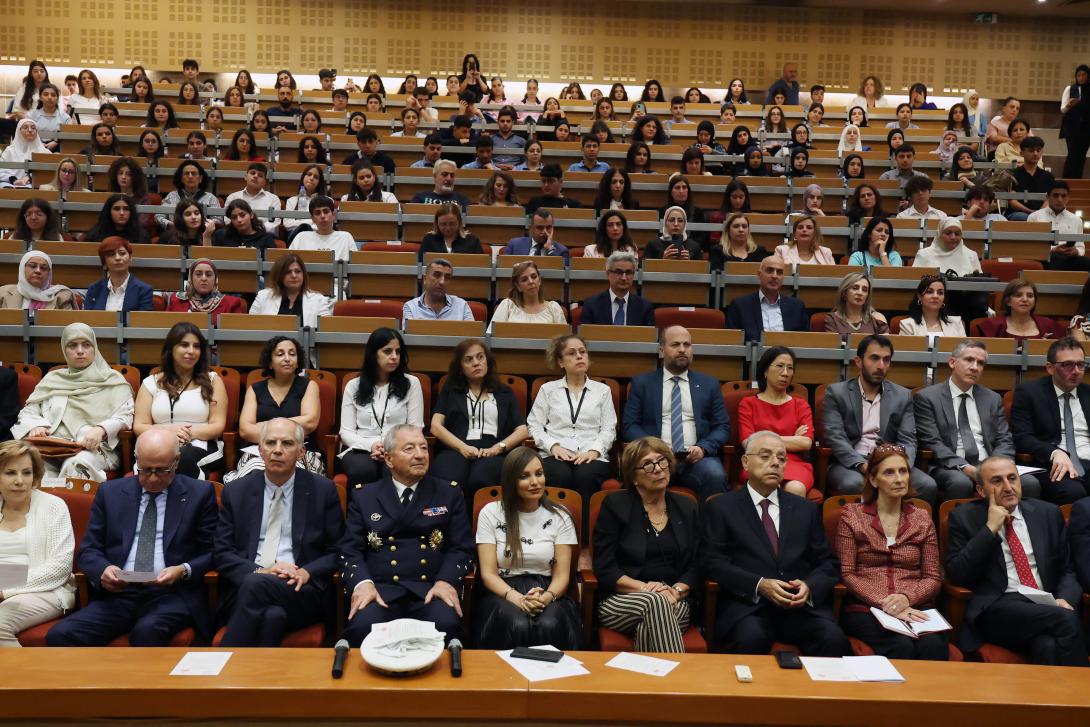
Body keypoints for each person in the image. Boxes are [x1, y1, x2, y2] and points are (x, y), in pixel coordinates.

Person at [45, 428, 217, 647]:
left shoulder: (199, 494)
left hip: (171, 594)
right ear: (136, 459)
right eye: (145, 470)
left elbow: (213, 551)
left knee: (147, 631)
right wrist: (103, 570)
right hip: (120, 594)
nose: (152, 478)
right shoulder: (110, 492)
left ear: (176, 461)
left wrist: (183, 570)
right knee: (61, 635)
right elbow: (89, 550)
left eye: (161, 470)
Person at [703, 431, 849, 655]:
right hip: (749, 607)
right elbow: (713, 562)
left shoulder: (806, 509)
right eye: (765, 456)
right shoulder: (721, 507)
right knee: (749, 638)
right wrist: (759, 584)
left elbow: (827, 563)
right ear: (745, 462)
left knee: (833, 639)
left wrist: (809, 587)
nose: (775, 463)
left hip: (800, 608)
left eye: (781, 458)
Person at [339, 424, 474, 647]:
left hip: (431, 590)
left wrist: (446, 581)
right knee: (362, 628)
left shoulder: (448, 493)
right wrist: (362, 583)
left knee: (447, 626)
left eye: (424, 448)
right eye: (409, 449)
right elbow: (350, 549)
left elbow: (462, 547)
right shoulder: (365, 495)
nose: (420, 455)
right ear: (389, 459)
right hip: (380, 591)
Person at [945, 456, 1087, 666]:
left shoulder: (1047, 513)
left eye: (1012, 478)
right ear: (981, 490)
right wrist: (990, 529)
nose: (1008, 487)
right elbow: (957, 573)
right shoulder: (964, 516)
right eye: (997, 481)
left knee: (1047, 645)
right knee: (1065, 619)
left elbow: (1067, 569)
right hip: (997, 607)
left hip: (1045, 605)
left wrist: (1065, 599)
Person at [213, 418, 343, 646]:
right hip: (247, 586)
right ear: (260, 450)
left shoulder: (323, 490)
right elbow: (222, 552)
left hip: (301, 589)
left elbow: (338, 550)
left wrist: (307, 572)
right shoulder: (237, 491)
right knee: (273, 616)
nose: (277, 450)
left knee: (256, 585)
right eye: (270, 443)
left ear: (301, 452)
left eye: (287, 443)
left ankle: (224, 660)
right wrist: (260, 571)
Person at [835, 442, 947, 660]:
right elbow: (847, 574)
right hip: (867, 607)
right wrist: (886, 603)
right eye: (889, 472)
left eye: (903, 471)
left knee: (933, 646)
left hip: (915, 605)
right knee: (900, 646)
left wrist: (906, 598)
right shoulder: (852, 516)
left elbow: (933, 577)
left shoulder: (922, 518)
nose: (899, 478)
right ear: (873, 480)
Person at [592, 437, 700, 652]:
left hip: (675, 599)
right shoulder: (615, 506)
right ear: (633, 477)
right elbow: (605, 567)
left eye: (662, 461)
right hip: (621, 600)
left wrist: (676, 591)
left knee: (653, 618)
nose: (658, 469)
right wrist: (646, 589)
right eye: (648, 465)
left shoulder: (687, 507)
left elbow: (698, 564)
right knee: (655, 603)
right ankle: (678, 674)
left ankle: (648, 674)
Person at [473, 446, 581, 649]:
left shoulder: (560, 516)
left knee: (549, 623)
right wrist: (518, 598)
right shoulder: (491, 513)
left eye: (539, 474)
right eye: (524, 476)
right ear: (510, 481)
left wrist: (545, 598)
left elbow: (562, 577)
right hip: (503, 589)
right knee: (517, 624)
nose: (535, 482)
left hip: (547, 588)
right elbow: (488, 574)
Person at [915, 341, 1040, 502]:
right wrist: (966, 468)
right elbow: (932, 442)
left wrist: (994, 467)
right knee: (960, 483)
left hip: (989, 464)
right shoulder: (928, 398)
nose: (975, 367)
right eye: (969, 360)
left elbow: (1004, 439)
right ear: (952, 362)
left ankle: (1017, 519)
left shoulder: (992, 399)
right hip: (950, 466)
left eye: (980, 363)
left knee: (1030, 483)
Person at [822, 335, 937, 504]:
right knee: (854, 484)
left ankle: (905, 522)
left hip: (890, 460)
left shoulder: (902, 395)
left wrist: (901, 465)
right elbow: (835, 437)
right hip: (850, 463)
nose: (881, 366)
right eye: (874, 358)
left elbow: (908, 439)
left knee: (927, 485)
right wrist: (863, 465)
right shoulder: (837, 393)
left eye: (886, 360)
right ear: (858, 361)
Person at [11, 323, 132, 481]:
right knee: (32, 466)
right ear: (64, 349)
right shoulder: (52, 379)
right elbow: (28, 411)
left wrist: (101, 429)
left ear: (94, 348)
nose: (80, 351)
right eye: (72, 345)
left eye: (86, 345)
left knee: (76, 465)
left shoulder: (113, 380)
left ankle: (72, 499)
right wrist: (36, 425)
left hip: (95, 448)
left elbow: (126, 415)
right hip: (52, 448)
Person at [623, 325, 730, 502]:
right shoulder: (642, 383)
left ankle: (708, 522)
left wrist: (703, 448)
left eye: (687, 345)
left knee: (715, 474)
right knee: (641, 473)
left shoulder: (709, 384)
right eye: (675, 344)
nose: (682, 349)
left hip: (697, 460)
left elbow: (722, 426)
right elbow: (629, 425)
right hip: (655, 458)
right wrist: (656, 448)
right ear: (661, 350)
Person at [527, 335, 616, 533]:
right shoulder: (548, 390)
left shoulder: (602, 391)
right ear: (560, 362)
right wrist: (553, 446)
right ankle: (553, 533)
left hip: (592, 454)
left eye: (582, 352)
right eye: (572, 353)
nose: (579, 356)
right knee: (559, 474)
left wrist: (594, 450)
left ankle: (583, 537)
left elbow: (609, 428)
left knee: (586, 475)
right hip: (554, 454)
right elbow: (534, 425)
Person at [431, 340, 529, 500]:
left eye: (480, 357)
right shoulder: (451, 389)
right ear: (460, 367)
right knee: (449, 481)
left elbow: (522, 430)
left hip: (493, 451)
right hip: (456, 448)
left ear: (487, 361)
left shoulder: (504, 392)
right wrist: (462, 448)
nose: (476, 363)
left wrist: (499, 448)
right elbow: (436, 426)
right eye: (468, 359)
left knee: (482, 479)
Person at [0, 441, 76, 647]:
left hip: (46, 590)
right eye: (10, 473)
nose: (19, 481)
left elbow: (59, 569)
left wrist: (5, 589)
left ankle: (25, 670)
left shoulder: (53, 506)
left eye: (26, 473)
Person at [133, 323, 226, 480]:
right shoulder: (150, 383)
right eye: (184, 345)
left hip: (200, 444)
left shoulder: (213, 381)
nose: (191, 351)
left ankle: (189, 495)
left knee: (182, 457)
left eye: (196, 346)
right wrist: (169, 432)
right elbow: (139, 426)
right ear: (171, 349)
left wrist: (186, 434)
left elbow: (217, 425)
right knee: (155, 458)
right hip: (158, 443)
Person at [223, 338, 322, 483]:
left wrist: (263, 426)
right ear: (270, 362)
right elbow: (245, 430)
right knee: (254, 475)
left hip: (298, 451)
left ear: (298, 361)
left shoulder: (309, 386)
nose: (287, 358)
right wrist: (292, 427)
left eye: (292, 354)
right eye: (280, 354)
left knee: (295, 478)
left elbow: (309, 422)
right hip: (259, 451)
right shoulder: (255, 389)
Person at [338, 328, 424, 487]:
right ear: (373, 354)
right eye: (387, 351)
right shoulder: (353, 386)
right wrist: (372, 446)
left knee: (392, 468)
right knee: (363, 470)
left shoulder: (412, 384)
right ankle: (359, 505)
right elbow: (346, 432)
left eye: (398, 352)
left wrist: (390, 447)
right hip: (361, 448)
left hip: (400, 448)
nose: (394, 357)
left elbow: (415, 428)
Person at [1011, 337, 1090, 504]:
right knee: (1073, 492)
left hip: (1087, 460)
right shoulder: (1029, 393)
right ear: (1050, 368)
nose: (1076, 371)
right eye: (1068, 365)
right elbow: (1022, 438)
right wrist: (1054, 453)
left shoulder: (1088, 393)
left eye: (1080, 364)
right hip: (1052, 463)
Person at [738, 347, 814, 497]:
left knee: (796, 488)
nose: (785, 373)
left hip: (793, 462)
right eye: (780, 366)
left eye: (790, 368)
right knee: (770, 485)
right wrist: (793, 439)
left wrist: (761, 437)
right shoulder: (748, 404)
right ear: (765, 371)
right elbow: (748, 443)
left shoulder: (800, 405)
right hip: (760, 461)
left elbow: (806, 443)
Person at [726, 255, 808, 343]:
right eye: (769, 270)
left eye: (779, 272)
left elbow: (804, 342)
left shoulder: (797, 307)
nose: (775, 276)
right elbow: (732, 342)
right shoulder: (740, 306)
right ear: (759, 275)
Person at [250, 254, 332, 329]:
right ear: (279, 275)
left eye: (298, 271)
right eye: (288, 272)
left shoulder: (319, 300)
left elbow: (327, 331)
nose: (294, 275)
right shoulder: (263, 296)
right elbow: (251, 327)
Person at [578, 251, 655, 327]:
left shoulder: (645, 306)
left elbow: (648, 334)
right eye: (619, 272)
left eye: (628, 272)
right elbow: (586, 333)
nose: (624, 278)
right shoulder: (591, 304)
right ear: (608, 274)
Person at [82, 237, 154, 315]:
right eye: (111, 254)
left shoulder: (143, 290)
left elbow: (143, 320)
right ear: (104, 263)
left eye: (122, 253)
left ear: (130, 258)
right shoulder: (94, 289)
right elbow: (88, 318)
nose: (117, 258)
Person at [978, 278, 1065, 341]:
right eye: (1018, 295)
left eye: (1030, 296)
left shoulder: (1049, 325)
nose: (1025, 299)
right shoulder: (992, 325)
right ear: (1008, 301)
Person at [1031, 181, 1090, 272]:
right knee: (1056, 259)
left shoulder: (1076, 220)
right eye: (1055, 195)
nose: (1060, 199)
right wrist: (1053, 250)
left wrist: (1076, 251)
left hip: (1069, 258)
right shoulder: (1035, 217)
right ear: (1047, 197)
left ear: (1068, 197)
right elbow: (1032, 247)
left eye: (1063, 196)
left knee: (1087, 262)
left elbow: (1080, 247)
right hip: (1046, 257)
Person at [166, 259, 245, 324]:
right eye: (198, 274)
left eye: (209, 275)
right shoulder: (176, 300)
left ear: (215, 279)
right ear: (191, 278)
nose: (204, 278)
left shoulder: (231, 304)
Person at [490, 261, 566, 325]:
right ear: (518, 286)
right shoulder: (507, 305)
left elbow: (564, 338)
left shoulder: (554, 308)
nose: (531, 281)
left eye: (534, 277)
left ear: (539, 280)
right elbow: (492, 335)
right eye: (524, 279)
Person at [0, 251, 77, 311]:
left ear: (49, 273)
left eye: (43, 268)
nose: (38, 271)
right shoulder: (3, 292)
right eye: (32, 266)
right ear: (23, 269)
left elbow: (68, 323)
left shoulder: (62, 295)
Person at [402, 259, 474, 322]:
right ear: (425, 279)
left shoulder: (462, 305)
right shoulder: (411, 307)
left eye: (447, 277)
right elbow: (409, 334)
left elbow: (471, 333)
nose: (442, 282)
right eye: (437, 275)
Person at [289, 195, 357, 261]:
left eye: (326, 211)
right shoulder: (301, 237)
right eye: (318, 213)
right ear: (312, 219)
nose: (322, 216)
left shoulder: (346, 237)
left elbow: (355, 264)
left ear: (333, 215)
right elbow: (289, 262)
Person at [898, 274, 966, 338]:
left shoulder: (956, 323)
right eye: (929, 292)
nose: (935, 296)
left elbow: (964, 346)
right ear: (919, 297)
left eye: (940, 293)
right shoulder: (908, 325)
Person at [156, 161, 218, 230]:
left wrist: (199, 225)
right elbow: (159, 216)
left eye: (193, 173)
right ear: (181, 178)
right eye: (186, 173)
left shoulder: (210, 197)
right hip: (176, 232)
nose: (190, 176)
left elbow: (218, 219)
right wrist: (171, 224)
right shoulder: (171, 196)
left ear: (200, 178)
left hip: (202, 232)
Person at [824, 272, 889, 337]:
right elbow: (833, 343)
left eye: (864, 290)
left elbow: (886, 343)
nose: (860, 293)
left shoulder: (877, 319)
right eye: (855, 288)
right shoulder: (832, 319)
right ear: (844, 293)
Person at [913, 218, 982, 276]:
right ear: (940, 234)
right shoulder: (924, 254)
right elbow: (915, 280)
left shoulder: (971, 255)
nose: (953, 237)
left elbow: (979, 284)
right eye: (948, 233)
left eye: (957, 234)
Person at [1007, 136, 1054, 222]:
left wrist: (1039, 214)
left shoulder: (1048, 176)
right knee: (1021, 217)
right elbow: (1012, 201)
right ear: (1021, 153)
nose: (1035, 153)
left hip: (1042, 214)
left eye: (1038, 150)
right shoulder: (1013, 174)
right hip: (1019, 213)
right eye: (1031, 150)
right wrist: (1031, 212)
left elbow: (1049, 199)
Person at [223, 163, 281, 230]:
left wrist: (254, 231)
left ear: (264, 182)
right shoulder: (233, 197)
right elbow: (228, 220)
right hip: (237, 233)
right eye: (253, 173)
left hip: (263, 234)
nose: (256, 176)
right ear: (246, 177)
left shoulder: (273, 199)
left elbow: (275, 223)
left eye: (260, 175)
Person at [417, 203, 483, 260]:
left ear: (459, 222)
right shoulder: (429, 240)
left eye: (452, 224)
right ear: (437, 223)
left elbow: (481, 266)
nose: (448, 228)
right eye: (443, 224)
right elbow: (420, 264)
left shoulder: (473, 241)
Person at [501, 209, 569, 259]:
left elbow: (561, 272)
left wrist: (550, 250)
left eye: (548, 227)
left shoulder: (562, 251)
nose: (544, 231)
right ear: (531, 228)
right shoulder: (515, 245)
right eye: (540, 227)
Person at [212, 199, 277, 252]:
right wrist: (207, 236)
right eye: (234, 217)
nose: (239, 220)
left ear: (251, 215)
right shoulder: (221, 236)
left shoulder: (266, 238)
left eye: (242, 215)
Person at [1, 120, 49, 188]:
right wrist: (13, 180)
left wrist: (29, 178)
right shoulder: (10, 151)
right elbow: (1, 170)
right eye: (25, 127)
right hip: (10, 184)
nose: (30, 130)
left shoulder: (44, 152)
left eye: (33, 128)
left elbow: (48, 173)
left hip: (34, 185)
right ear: (19, 131)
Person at [1061, 65, 1090, 179]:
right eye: (1078, 75)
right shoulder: (1070, 88)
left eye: (1084, 75)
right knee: (1072, 155)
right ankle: (1067, 180)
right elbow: (1062, 109)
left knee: (1081, 156)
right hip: (1072, 128)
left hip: (1086, 128)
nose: (1081, 77)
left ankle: (1077, 180)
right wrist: (1069, 105)